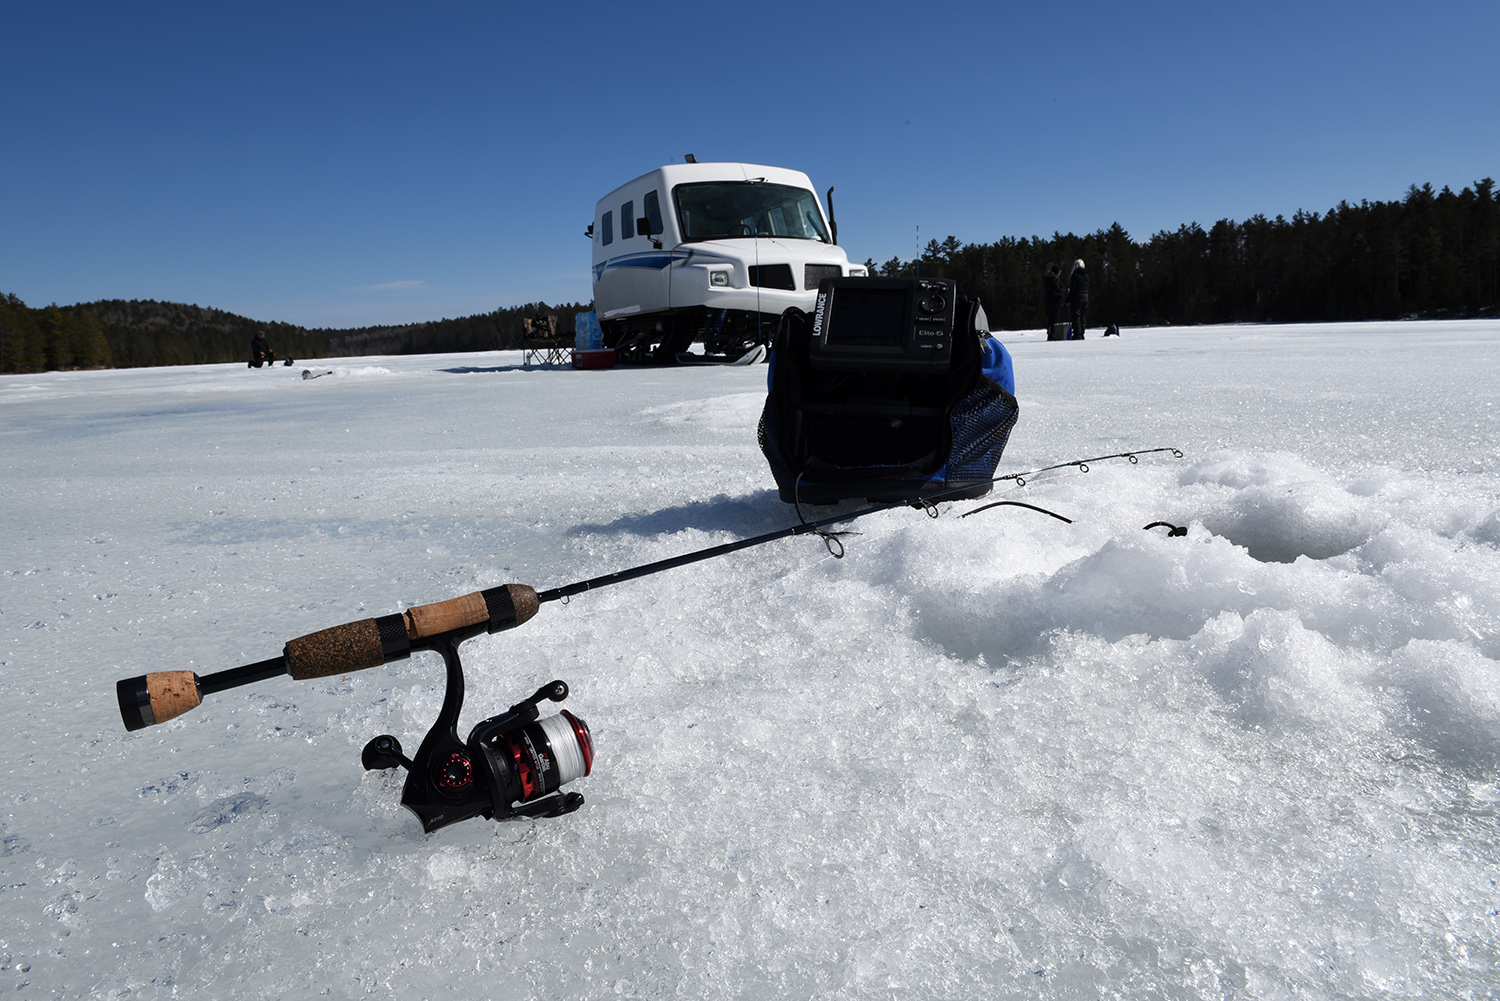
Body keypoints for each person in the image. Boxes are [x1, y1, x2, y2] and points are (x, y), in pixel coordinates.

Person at [1066, 259, 1089, 340]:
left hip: (1077, 297)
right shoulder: (1086, 275)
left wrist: (1068, 298)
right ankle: (1082, 333)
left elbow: (1073, 289)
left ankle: (1077, 334)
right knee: (1083, 316)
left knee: (1076, 316)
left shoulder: (1075, 275)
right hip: (1085, 296)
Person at [1042, 263, 1065, 338]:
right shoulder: (1053, 281)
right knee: (1054, 320)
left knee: (1050, 320)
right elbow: (1057, 291)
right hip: (1054, 303)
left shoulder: (1047, 279)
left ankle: (1050, 333)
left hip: (1048, 302)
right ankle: (1053, 334)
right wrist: (1065, 291)